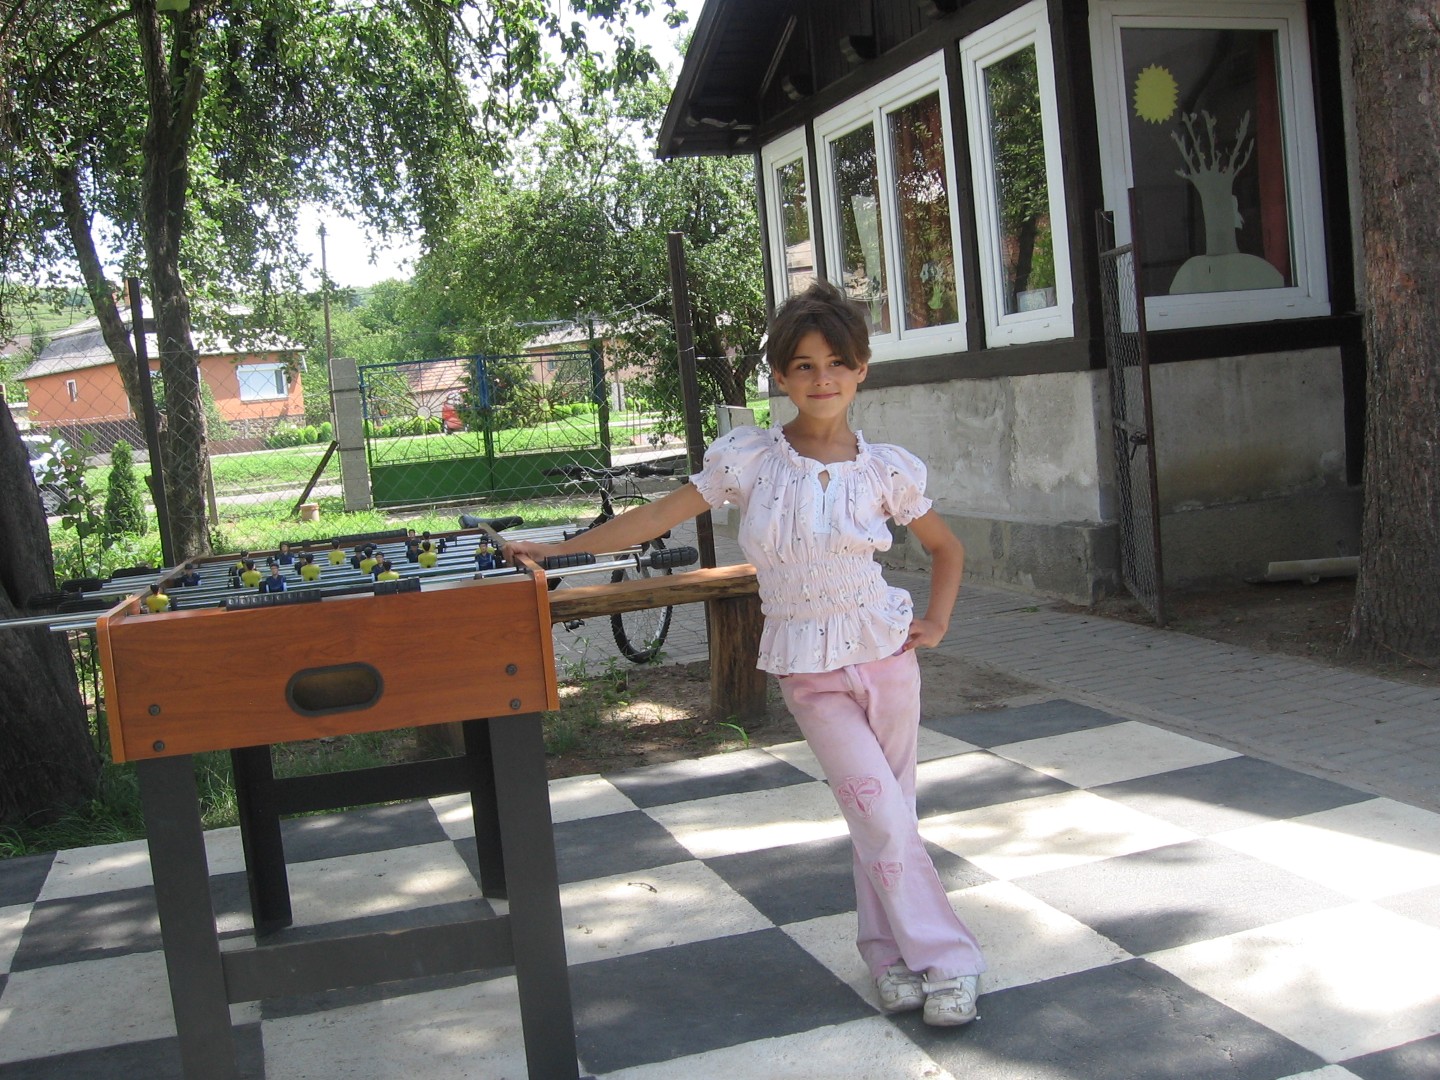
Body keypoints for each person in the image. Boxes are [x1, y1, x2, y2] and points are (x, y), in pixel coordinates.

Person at [503, 279, 984, 1026]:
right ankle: (949, 960)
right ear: (781, 377)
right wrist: (562, 551)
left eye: (837, 363)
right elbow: (659, 514)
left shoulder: (886, 469)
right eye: (803, 366)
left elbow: (947, 548)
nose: (821, 379)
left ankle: (889, 955)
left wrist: (939, 622)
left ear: (861, 370)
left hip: (886, 655)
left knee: (888, 815)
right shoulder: (750, 460)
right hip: (808, 669)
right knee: (876, 809)